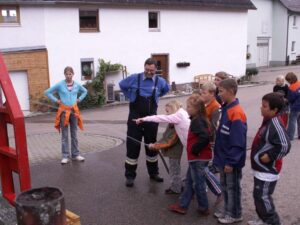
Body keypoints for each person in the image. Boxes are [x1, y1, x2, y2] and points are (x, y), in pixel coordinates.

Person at [119, 58, 169, 187]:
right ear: (144, 67)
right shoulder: (134, 78)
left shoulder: (160, 81)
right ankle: (130, 176)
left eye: (152, 70)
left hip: (151, 120)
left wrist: (157, 98)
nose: (149, 72)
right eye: (147, 70)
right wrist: (130, 96)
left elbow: (165, 90)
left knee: (151, 146)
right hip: (135, 118)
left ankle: (154, 173)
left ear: (155, 70)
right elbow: (122, 85)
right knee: (133, 147)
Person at [248, 93, 291, 225]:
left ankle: (272, 221)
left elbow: (285, 145)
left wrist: (271, 156)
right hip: (261, 168)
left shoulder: (276, 124)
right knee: (258, 196)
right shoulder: (268, 119)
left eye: (264, 106)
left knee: (263, 196)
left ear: (274, 110)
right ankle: (264, 219)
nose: (261, 108)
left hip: (268, 170)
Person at [168, 94, 211, 216]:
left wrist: (194, 149)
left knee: (198, 184)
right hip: (196, 157)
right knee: (189, 183)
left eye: (189, 107)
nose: (187, 109)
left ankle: (204, 207)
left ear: (197, 109)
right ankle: (182, 205)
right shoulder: (198, 119)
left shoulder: (197, 121)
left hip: (198, 157)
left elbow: (205, 137)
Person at [213, 78, 247, 224]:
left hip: (230, 160)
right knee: (225, 186)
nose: (219, 94)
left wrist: (231, 162)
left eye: (221, 91)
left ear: (231, 91)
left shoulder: (236, 112)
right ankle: (228, 209)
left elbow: (238, 142)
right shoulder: (226, 108)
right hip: (223, 158)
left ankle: (235, 213)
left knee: (233, 188)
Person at [44, 66, 87, 164]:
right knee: (64, 135)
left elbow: (85, 91)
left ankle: (76, 154)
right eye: (67, 74)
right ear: (64, 75)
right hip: (63, 112)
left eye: (70, 74)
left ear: (73, 74)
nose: (68, 76)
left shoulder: (76, 85)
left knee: (74, 134)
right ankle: (65, 156)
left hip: (74, 112)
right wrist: (57, 100)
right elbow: (47, 92)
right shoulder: (60, 84)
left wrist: (79, 99)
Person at [146, 100, 185, 194]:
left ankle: (176, 189)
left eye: (168, 112)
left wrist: (156, 146)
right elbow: (165, 137)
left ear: (174, 111)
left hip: (175, 153)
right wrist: (156, 144)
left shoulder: (176, 125)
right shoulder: (172, 123)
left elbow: (169, 141)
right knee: (173, 170)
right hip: (173, 152)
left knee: (174, 171)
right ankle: (176, 185)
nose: (166, 114)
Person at [199, 82, 223, 205]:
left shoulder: (216, 107)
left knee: (204, 167)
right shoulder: (204, 104)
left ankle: (217, 190)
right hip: (202, 138)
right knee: (199, 166)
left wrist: (204, 137)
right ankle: (197, 186)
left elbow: (214, 127)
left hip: (209, 140)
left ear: (212, 94)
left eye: (204, 93)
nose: (201, 94)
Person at [285, 72, 300, 140]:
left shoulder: (292, 87)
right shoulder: (299, 83)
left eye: (288, 81)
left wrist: (285, 100)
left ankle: (290, 136)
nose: (288, 82)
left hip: (295, 107)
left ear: (290, 80)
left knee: (292, 121)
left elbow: (290, 99)